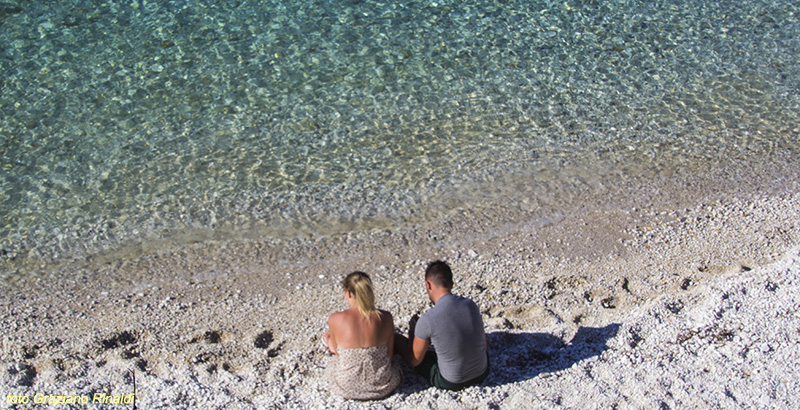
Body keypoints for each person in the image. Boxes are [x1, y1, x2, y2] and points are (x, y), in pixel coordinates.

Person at [395, 260, 489, 390]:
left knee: (399, 341)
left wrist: (413, 331)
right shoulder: (471, 305)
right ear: (451, 283)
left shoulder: (428, 319)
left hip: (452, 381)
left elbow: (414, 360)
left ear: (428, 284)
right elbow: (484, 344)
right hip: (482, 372)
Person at [323, 271, 402, 400]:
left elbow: (337, 353)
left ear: (348, 293)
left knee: (333, 361)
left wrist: (328, 340)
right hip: (383, 385)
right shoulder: (386, 317)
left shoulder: (335, 319)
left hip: (346, 387)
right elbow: (390, 355)